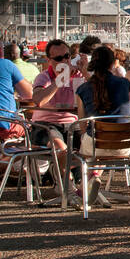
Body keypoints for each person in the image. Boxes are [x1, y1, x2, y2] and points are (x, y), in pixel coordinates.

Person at [31, 38, 83, 201]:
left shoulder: (78, 76)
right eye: (59, 59)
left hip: (72, 123)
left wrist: (86, 72)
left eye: (67, 57)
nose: (64, 61)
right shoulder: (44, 77)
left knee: (92, 144)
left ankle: (81, 182)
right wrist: (59, 81)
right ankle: (67, 185)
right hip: (46, 124)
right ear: (49, 61)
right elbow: (39, 99)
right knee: (60, 146)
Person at [76, 46, 130, 118]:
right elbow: (126, 107)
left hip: (96, 129)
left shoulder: (82, 90)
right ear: (112, 64)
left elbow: (82, 125)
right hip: (126, 129)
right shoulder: (125, 83)